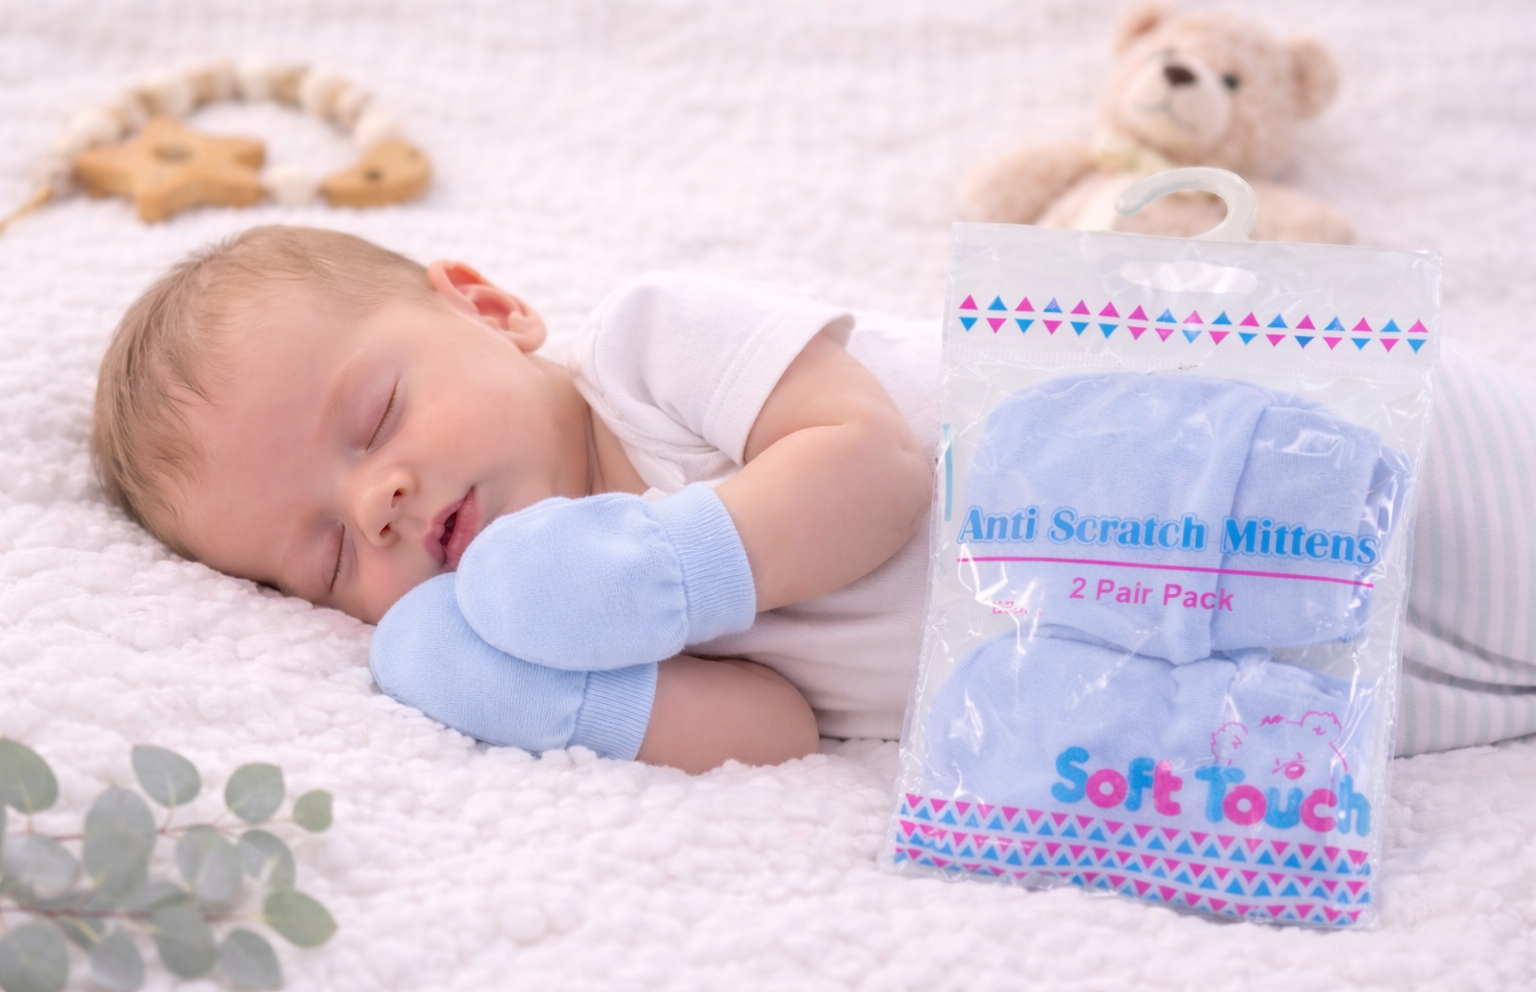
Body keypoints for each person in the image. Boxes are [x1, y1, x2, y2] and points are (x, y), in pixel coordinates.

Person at [91, 226, 1536, 774]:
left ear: (490, 304)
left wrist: (669, 563)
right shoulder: (555, 624)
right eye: (331, 548)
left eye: (375, 419)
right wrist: (544, 693)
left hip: (1288, 462)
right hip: (1237, 659)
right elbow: (779, 729)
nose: (388, 500)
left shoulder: (655, 354)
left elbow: (876, 477)